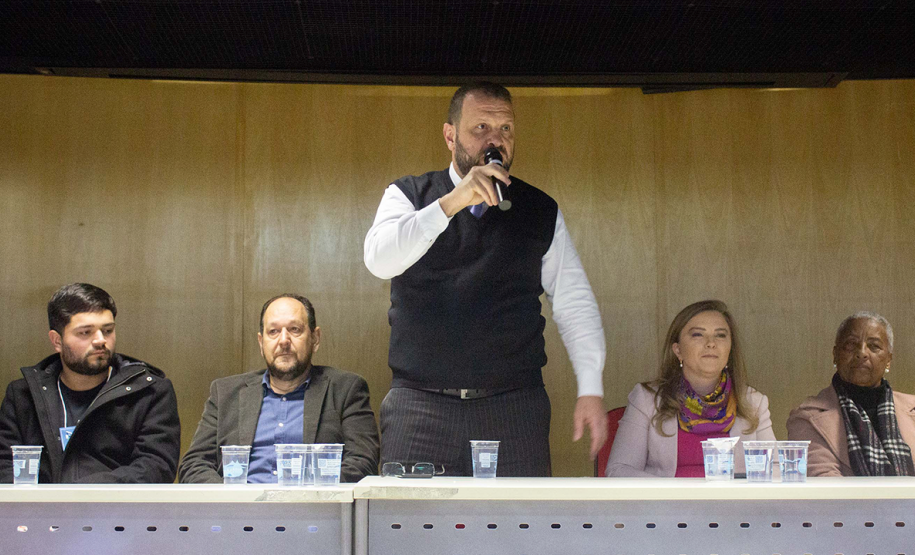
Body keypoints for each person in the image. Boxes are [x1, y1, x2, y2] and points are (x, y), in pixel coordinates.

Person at [363, 81, 607, 476]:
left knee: (518, 533)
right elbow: (378, 260)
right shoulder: (409, 194)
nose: (496, 140)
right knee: (408, 532)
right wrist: (452, 203)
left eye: (505, 129)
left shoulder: (539, 209)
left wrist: (591, 386)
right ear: (450, 135)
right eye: (481, 129)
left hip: (513, 407)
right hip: (420, 406)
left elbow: (574, 302)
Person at [179, 294, 379, 483]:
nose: (283, 341)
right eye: (273, 332)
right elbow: (194, 464)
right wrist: (232, 499)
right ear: (261, 342)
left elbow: (362, 462)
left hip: (313, 512)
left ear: (315, 338)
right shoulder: (225, 393)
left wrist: (308, 495)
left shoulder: (346, 389)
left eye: (294, 329)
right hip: (238, 514)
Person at [0, 283, 180, 483]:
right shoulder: (23, 396)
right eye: (85, 333)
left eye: (108, 330)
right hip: (38, 512)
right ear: (57, 341)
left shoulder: (149, 392)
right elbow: (5, 465)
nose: (100, 340)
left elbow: (156, 466)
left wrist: (80, 495)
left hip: (119, 511)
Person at [606, 300, 774, 477]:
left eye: (721, 335)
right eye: (698, 335)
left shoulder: (754, 402)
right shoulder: (646, 399)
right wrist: (679, 494)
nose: (711, 343)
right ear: (677, 350)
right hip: (666, 504)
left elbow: (775, 470)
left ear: (730, 349)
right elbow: (619, 470)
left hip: (734, 504)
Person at [787, 311, 915, 476]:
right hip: (848, 503)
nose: (862, 352)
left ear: (888, 359)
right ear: (835, 355)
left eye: (874, 346)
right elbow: (825, 487)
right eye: (851, 344)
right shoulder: (806, 418)